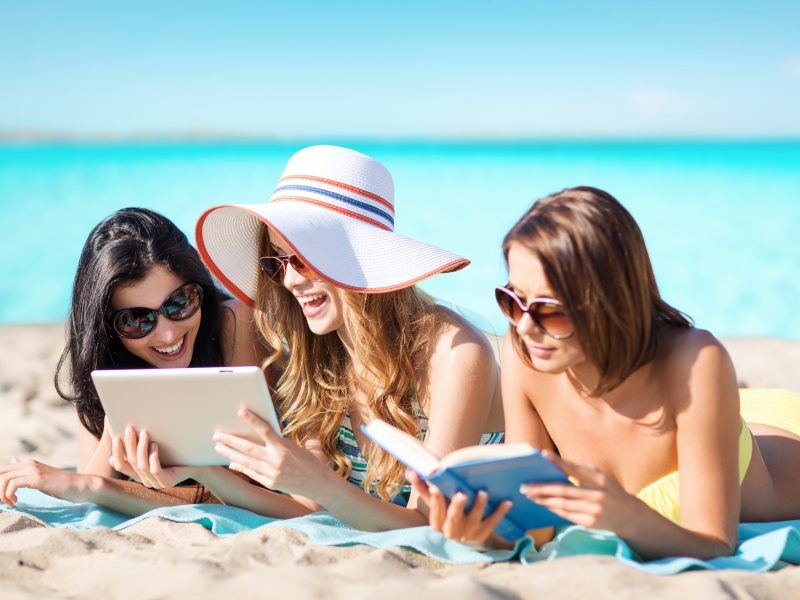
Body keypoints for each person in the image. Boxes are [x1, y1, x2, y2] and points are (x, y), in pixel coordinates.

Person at [412, 187, 800, 560]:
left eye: (550, 309)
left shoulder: (696, 361)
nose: (525, 326)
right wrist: (482, 533)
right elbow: (538, 528)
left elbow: (715, 544)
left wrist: (625, 518)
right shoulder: (525, 357)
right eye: (513, 301)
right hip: (715, 415)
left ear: (610, 299)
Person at [183, 144, 505, 529]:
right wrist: (203, 472)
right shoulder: (318, 351)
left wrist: (319, 483)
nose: (289, 280)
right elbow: (311, 508)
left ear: (357, 256)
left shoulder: (453, 352)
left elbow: (429, 523)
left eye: (301, 260)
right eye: (277, 262)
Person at [0, 207, 265, 514]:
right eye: (137, 320)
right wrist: (118, 415)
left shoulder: (233, 323)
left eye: (179, 303)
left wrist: (93, 487)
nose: (167, 334)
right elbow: (90, 483)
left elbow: (244, 489)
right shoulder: (105, 359)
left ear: (198, 290)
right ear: (107, 326)